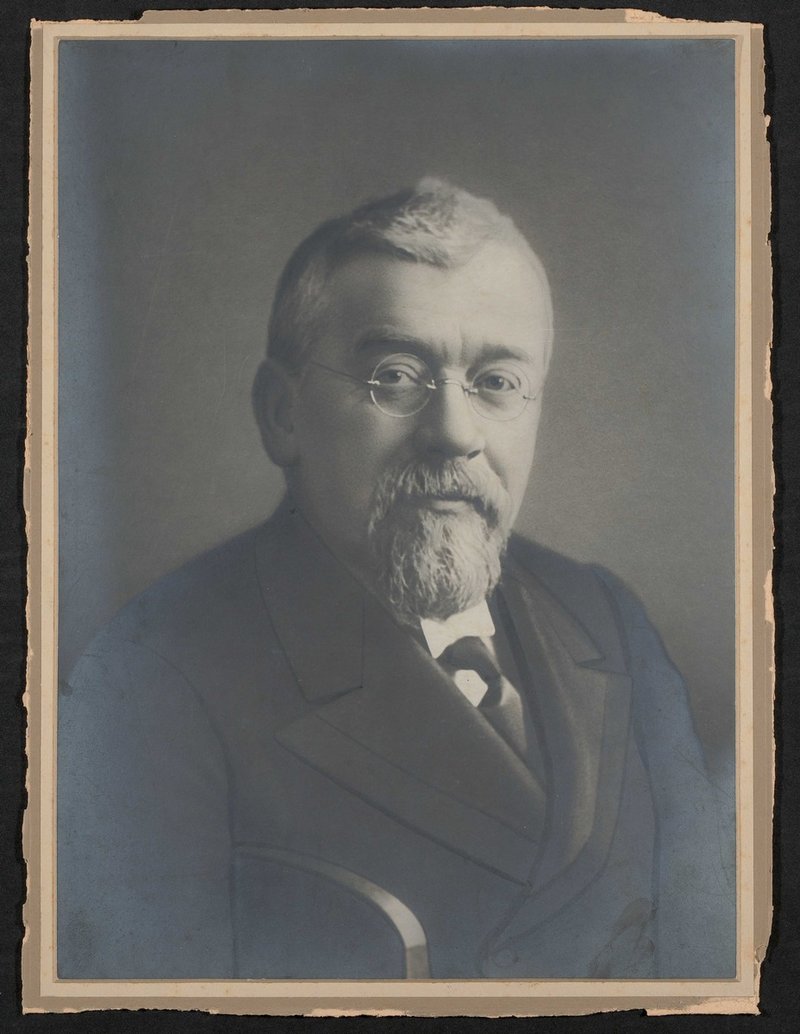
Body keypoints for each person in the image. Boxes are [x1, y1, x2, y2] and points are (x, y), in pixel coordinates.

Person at [58, 179, 734, 981]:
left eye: (497, 382)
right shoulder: (151, 676)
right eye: (396, 375)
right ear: (282, 413)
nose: (453, 431)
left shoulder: (606, 618)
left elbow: (708, 963)